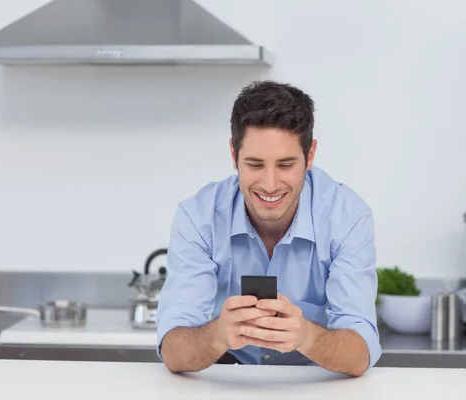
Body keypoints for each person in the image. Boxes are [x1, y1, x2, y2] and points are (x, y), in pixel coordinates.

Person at [155, 80, 381, 377]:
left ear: (310, 155)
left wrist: (306, 336)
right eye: (255, 165)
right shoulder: (199, 218)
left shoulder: (348, 218)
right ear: (233, 155)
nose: (270, 185)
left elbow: (360, 352)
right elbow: (173, 350)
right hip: (226, 378)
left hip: (317, 382)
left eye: (286, 165)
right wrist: (218, 335)